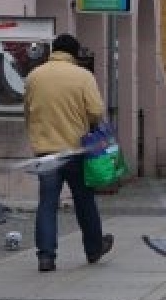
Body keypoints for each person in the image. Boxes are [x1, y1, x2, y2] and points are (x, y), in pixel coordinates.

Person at [24, 33, 112, 274]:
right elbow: (96, 111)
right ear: (74, 54)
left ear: (54, 50)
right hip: (76, 150)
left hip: (46, 151)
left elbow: (28, 112)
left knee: (47, 204)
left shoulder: (34, 76)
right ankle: (94, 248)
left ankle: (46, 256)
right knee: (84, 201)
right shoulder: (83, 76)